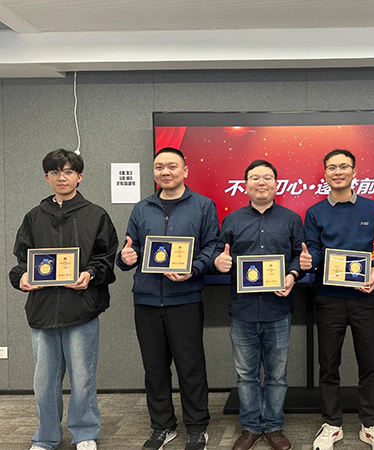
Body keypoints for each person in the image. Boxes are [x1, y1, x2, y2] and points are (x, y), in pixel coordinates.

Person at [9, 149, 118, 450]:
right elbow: (22, 261)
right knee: (44, 382)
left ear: (79, 177)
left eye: (68, 171)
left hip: (81, 308)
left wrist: (90, 274)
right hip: (42, 311)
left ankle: (85, 434)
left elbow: (106, 259)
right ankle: (46, 436)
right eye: (55, 172)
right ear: (47, 177)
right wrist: (21, 277)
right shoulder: (34, 217)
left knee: (83, 379)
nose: (62, 177)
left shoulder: (96, 215)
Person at [116, 147, 219, 450]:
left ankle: (197, 427)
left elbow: (212, 246)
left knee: (191, 367)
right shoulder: (142, 208)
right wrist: (125, 258)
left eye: (172, 166)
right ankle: (162, 426)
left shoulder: (203, 205)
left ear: (185, 171)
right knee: (154, 369)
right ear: (154, 172)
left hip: (184, 299)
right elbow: (130, 250)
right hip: (147, 300)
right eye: (159, 166)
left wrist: (194, 269)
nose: (165, 171)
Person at [301, 149, 374, 450]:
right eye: (332, 167)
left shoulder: (372, 208)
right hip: (329, 298)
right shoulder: (315, 212)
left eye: (344, 167)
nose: (338, 172)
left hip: (364, 298)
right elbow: (315, 250)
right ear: (325, 173)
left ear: (355, 172)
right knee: (329, 365)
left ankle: (371, 425)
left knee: (370, 363)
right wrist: (309, 261)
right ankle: (332, 424)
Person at [213, 160, 304, 450]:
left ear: (276, 183)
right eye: (255, 177)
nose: (261, 182)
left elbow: (299, 256)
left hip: (278, 309)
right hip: (243, 310)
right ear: (246, 184)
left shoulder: (291, 219)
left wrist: (293, 274)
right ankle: (251, 427)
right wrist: (218, 261)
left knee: (277, 375)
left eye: (267, 177)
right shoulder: (232, 220)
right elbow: (219, 254)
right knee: (246, 375)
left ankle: (274, 426)